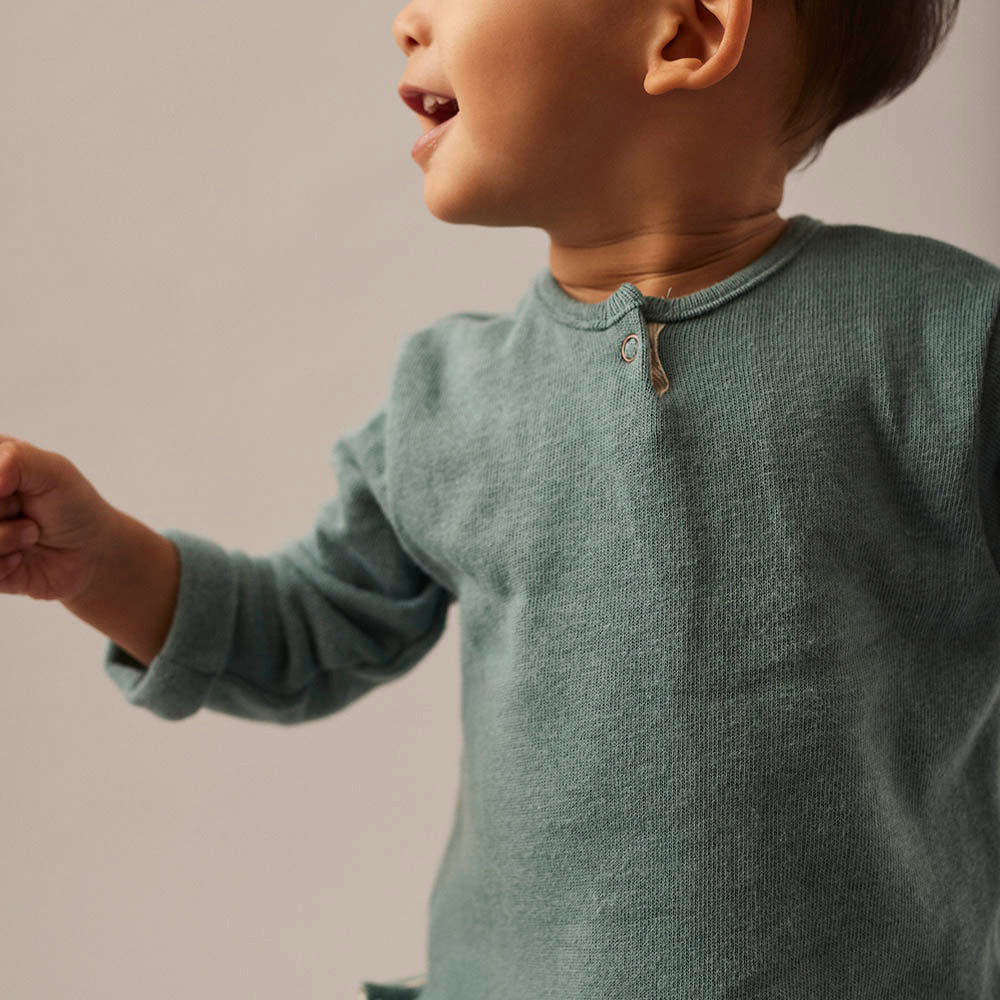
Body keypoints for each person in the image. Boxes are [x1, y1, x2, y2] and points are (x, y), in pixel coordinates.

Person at [2, 0, 997, 996]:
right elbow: (301, 632)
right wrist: (102, 562)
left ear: (686, 32)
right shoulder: (449, 399)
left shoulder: (947, 343)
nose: (407, 20)